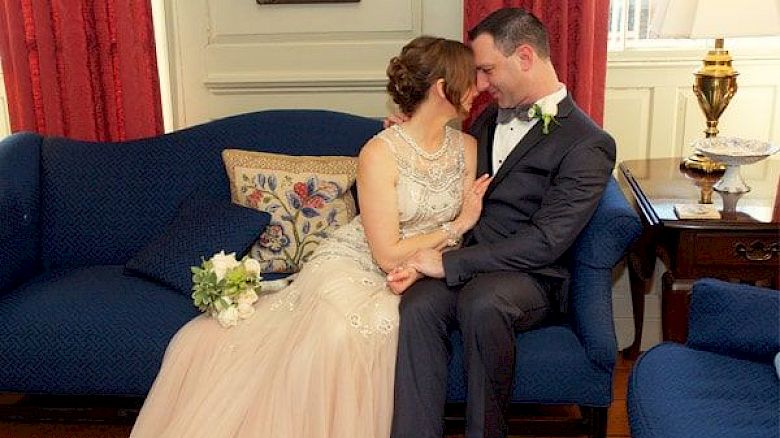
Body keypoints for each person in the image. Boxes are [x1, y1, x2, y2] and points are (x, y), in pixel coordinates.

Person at [129, 35, 491, 438]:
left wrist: (428, 264)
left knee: (390, 323)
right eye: (470, 79)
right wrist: (457, 226)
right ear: (444, 88)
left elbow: (460, 241)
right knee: (344, 330)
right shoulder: (380, 152)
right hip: (361, 262)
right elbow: (388, 254)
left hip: (419, 268)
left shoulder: (469, 148)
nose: (480, 88)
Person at [387, 8, 616, 438]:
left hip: (530, 277)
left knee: (483, 302)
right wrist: (410, 135)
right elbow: (452, 156)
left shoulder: (589, 144)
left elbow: (546, 242)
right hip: (472, 257)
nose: (483, 85)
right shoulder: (493, 117)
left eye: (489, 70)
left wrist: (449, 264)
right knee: (417, 305)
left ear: (525, 57)